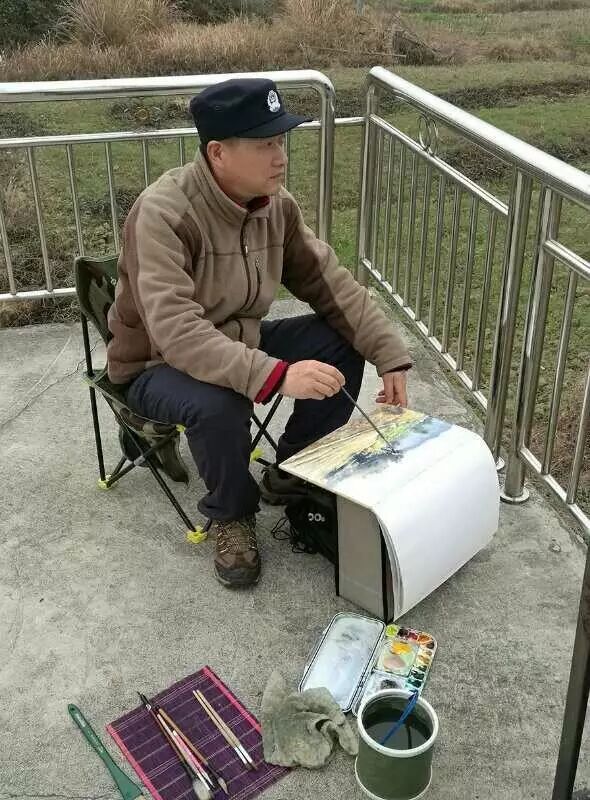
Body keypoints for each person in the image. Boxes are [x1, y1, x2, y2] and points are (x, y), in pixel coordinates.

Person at [107, 77, 412, 588]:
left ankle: (293, 471)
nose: (281, 157)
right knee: (221, 401)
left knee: (339, 342)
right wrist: (276, 375)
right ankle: (232, 513)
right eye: (265, 144)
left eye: (281, 141)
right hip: (155, 362)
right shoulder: (164, 212)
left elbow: (330, 283)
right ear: (218, 153)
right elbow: (177, 332)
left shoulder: (275, 206)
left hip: (237, 340)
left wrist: (390, 353)